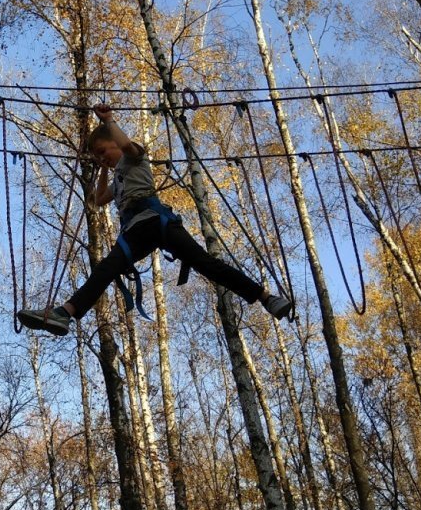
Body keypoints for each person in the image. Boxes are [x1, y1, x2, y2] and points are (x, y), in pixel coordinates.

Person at [17, 104, 292, 336]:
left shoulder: (134, 158)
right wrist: (101, 169)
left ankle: (266, 298)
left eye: (103, 151)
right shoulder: (118, 176)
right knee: (106, 269)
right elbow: (97, 200)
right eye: (98, 155)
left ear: (115, 141)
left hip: (158, 222)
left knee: (206, 263)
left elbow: (126, 145)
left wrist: (109, 121)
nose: (103, 157)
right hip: (135, 232)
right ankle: (64, 313)